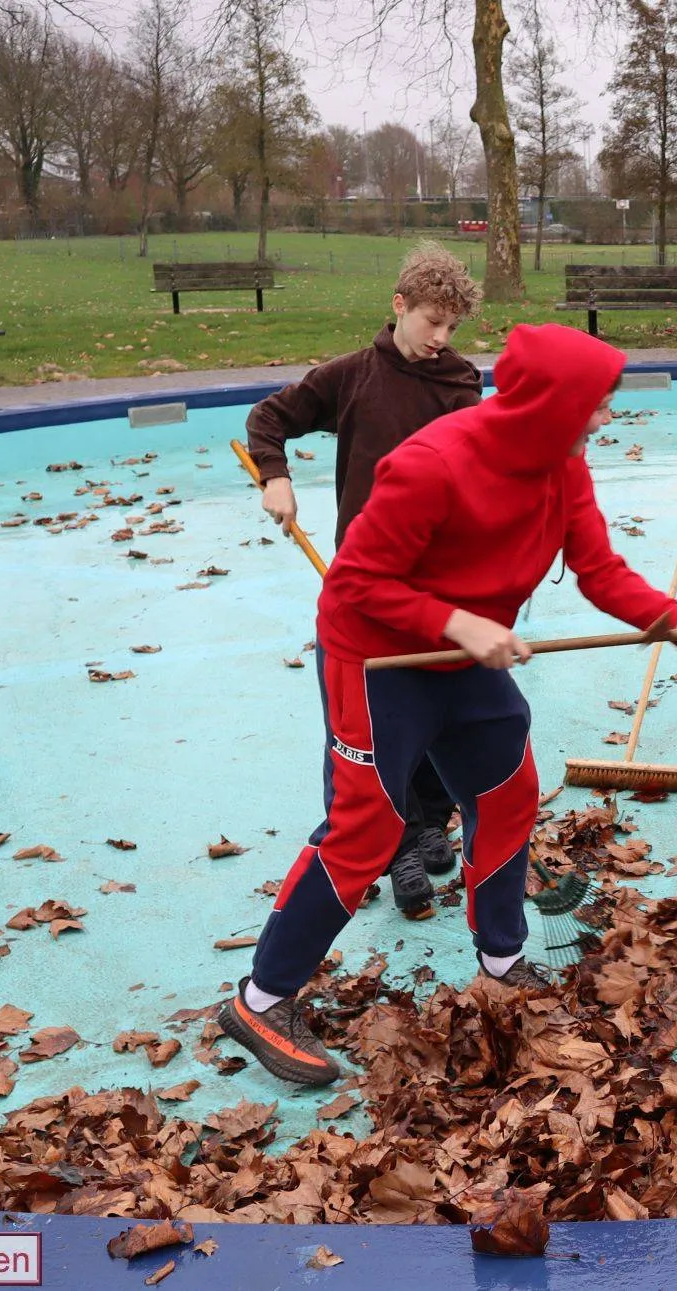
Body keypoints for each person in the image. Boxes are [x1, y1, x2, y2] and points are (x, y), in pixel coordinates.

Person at [219, 324, 677, 1086]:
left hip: (464, 655)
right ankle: (262, 999)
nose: (606, 418)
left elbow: (599, 569)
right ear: (551, 405)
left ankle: (502, 961)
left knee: (508, 791)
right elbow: (354, 583)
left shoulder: (562, 465)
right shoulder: (433, 464)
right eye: (597, 405)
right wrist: (458, 622)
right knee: (366, 828)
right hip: (379, 657)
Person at [245, 241, 483, 922]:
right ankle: (398, 841)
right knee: (375, 720)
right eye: (432, 321)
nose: (440, 338)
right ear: (399, 305)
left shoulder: (461, 384)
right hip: (366, 583)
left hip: (437, 580)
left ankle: (431, 817)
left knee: (434, 705)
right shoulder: (351, 377)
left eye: (452, 327)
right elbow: (268, 419)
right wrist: (275, 477)